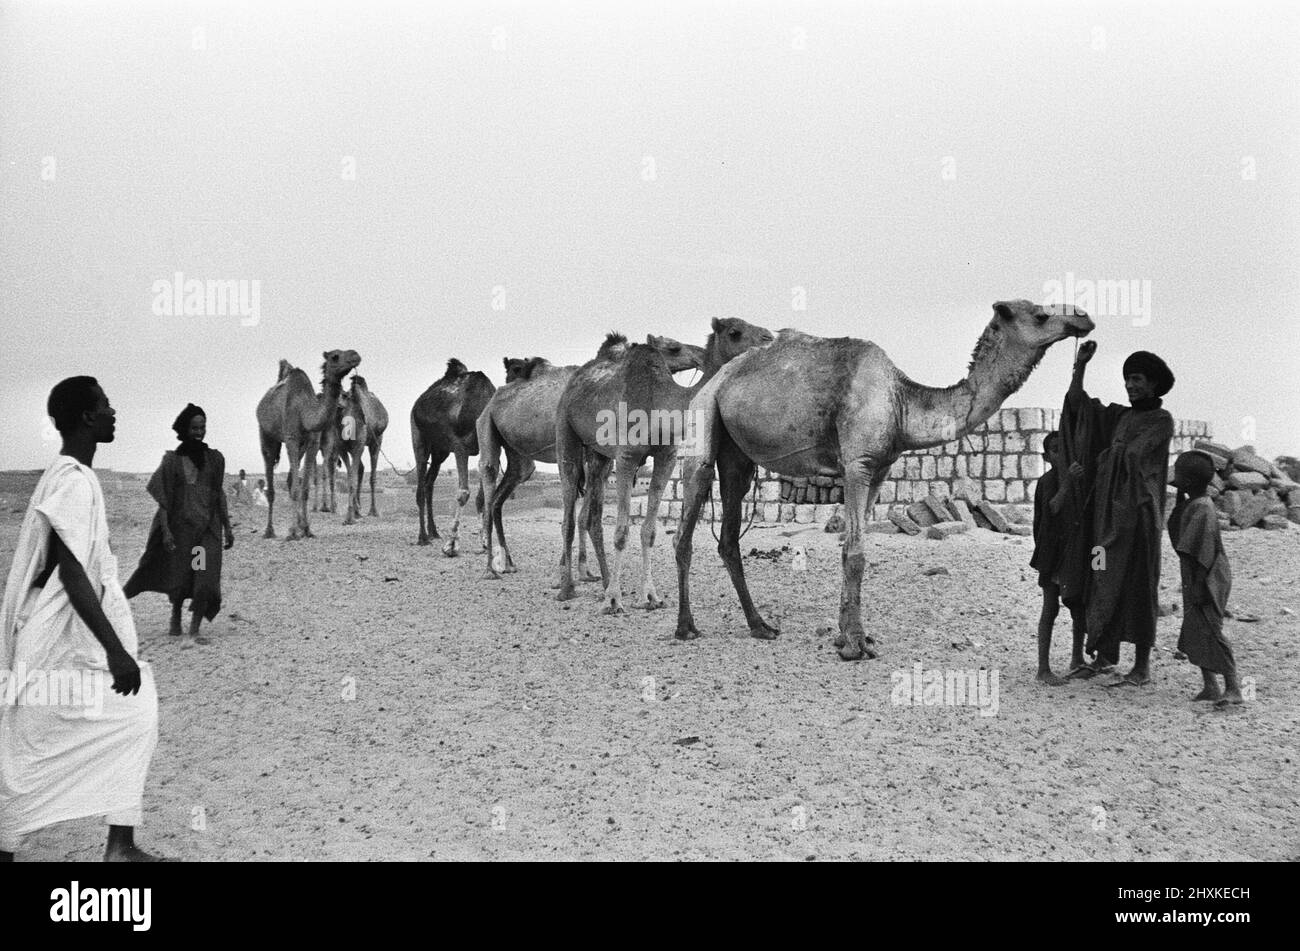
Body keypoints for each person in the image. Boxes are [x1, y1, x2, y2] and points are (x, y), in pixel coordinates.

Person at [0, 377, 163, 861]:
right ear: (88, 418)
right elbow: (72, 573)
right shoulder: (72, 480)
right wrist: (116, 652)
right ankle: (10, 843)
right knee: (30, 743)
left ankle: (120, 844)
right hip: (58, 637)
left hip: (66, 636)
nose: (114, 412)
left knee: (132, 715)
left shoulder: (72, 476)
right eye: (106, 405)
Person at [1066, 341, 1175, 687]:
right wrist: (1080, 366)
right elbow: (1078, 407)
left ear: (1154, 384)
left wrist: (1105, 456)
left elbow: (1134, 456)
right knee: (1100, 573)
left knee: (1140, 585)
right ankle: (1102, 656)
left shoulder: (1161, 420)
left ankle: (1141, 666)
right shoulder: (1120, 416)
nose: (1130, 385)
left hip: (1139, 520)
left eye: (1138, 379)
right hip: (1105, 522)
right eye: (1128, 378)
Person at [123, 404, 234, 648]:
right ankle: (175, 616)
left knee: (203, 577)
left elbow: (219, 494)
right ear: (185, 429)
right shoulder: (172, 461)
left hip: (206, 531)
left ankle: (194, 630)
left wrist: (227, 526)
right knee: (181, 576)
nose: (199, 432)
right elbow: (163, 499)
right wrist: (166, 531)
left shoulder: (215, 459)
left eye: (202, 427)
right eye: (194, 427)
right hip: (182, 530)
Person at [1168, 451, 1242, 707]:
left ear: (1187, 481)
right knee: (1195, 629)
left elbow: (1199, 552)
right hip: (1196, 577)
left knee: (1211, 630)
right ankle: (1210, 685)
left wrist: (1199, 586)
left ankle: (1233, 687)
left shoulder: (1202, 509)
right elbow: (1178, 534)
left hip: (1207, 578)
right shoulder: (1194, 504)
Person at [1031, 431, 1089, 684]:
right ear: (1047, 456)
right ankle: (1043, 668)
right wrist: (1067, 483)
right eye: (1055, 450)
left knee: (1078, 607)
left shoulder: (1078, 480)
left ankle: (1077, 658)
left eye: (1064, 448)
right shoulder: (1048, 481)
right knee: (1051, 607)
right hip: (1052, 553)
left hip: (1073, 553)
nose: (1061, 454)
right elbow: (1053, 509)